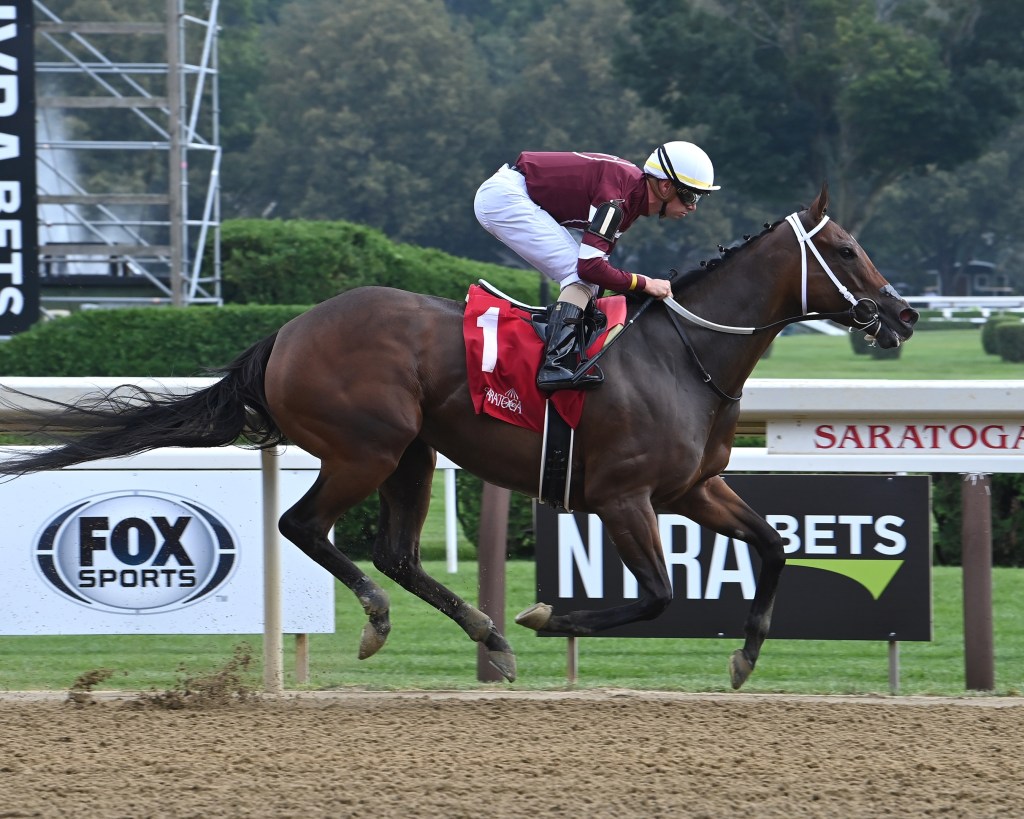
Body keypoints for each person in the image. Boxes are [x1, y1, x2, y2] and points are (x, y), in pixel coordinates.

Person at [474, 141, 720, 391]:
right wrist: (645, 283)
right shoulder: (618, 200)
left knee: (589, 283)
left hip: (509, 194)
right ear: (666, 186)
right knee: (579, 276)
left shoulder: (630, 195)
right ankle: (555, 364)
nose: (693, 206)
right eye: (690, 195)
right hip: (505, 199)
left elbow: (600, 272)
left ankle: (566, 351)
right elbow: (589, 267)